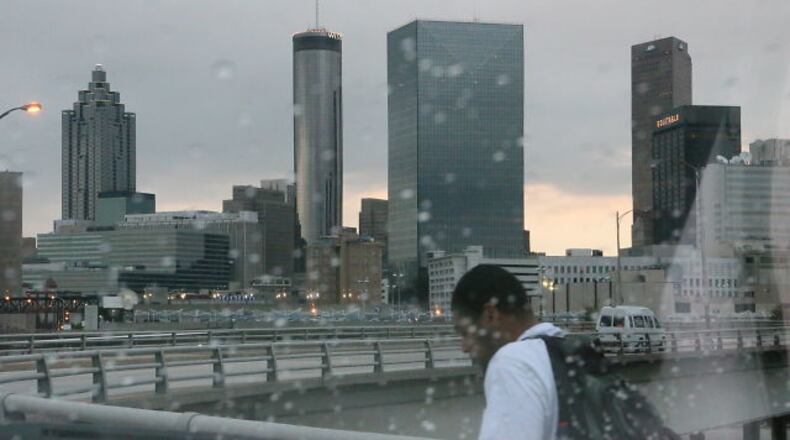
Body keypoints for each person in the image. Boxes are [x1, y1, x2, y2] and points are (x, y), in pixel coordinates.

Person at [452, 264, 563, 440]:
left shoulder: (513, 363)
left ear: (490, 315)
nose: (464, 347)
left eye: (465, 332)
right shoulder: (571, 351)